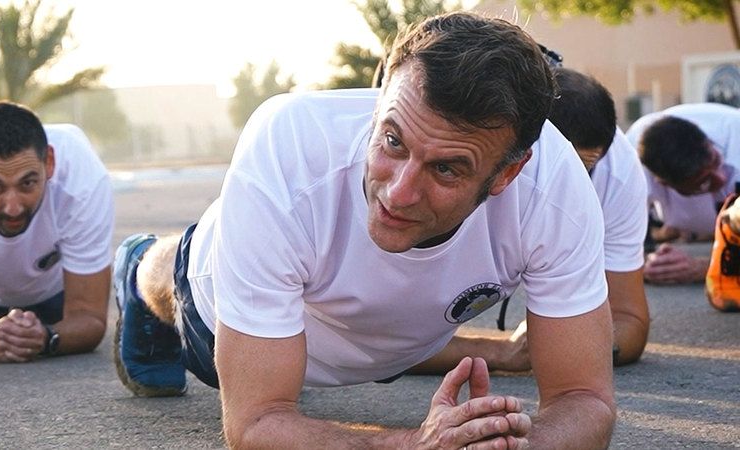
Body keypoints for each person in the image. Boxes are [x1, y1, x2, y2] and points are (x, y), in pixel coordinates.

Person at [114, 12, 616, 449]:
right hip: (216, 309)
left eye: (445, 169)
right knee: (178, 270)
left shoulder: (555, 190)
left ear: (507, 173)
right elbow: (255, 422)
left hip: (399, 339)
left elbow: (586, 400)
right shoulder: (289, 146)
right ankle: (137, 263)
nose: (398, 192)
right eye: (392, 141)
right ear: (376, 107)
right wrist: (414, 444)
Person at [471, 68, 651, 370]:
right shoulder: (468, 155)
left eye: (584, 171)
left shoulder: (619, 176)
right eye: (558, 171)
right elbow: (389, 343)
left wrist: (577, 345)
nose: (569, 188)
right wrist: (500, 352)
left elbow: (629, 319)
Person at [0, 102, 113, 363]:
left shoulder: (83, 179)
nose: (13, 207)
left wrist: (46, 336)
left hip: (54, 297)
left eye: (27, 183)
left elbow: (89, 318)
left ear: (50, 162)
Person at [626, 102, 740, 284]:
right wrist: (651, 265)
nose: (721, 178)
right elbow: (613, 245)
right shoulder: (628, 165)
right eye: (704, 182)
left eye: (716, 159)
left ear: (709, 141)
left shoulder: (734, 141)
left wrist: (704, 267)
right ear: (664, 184)